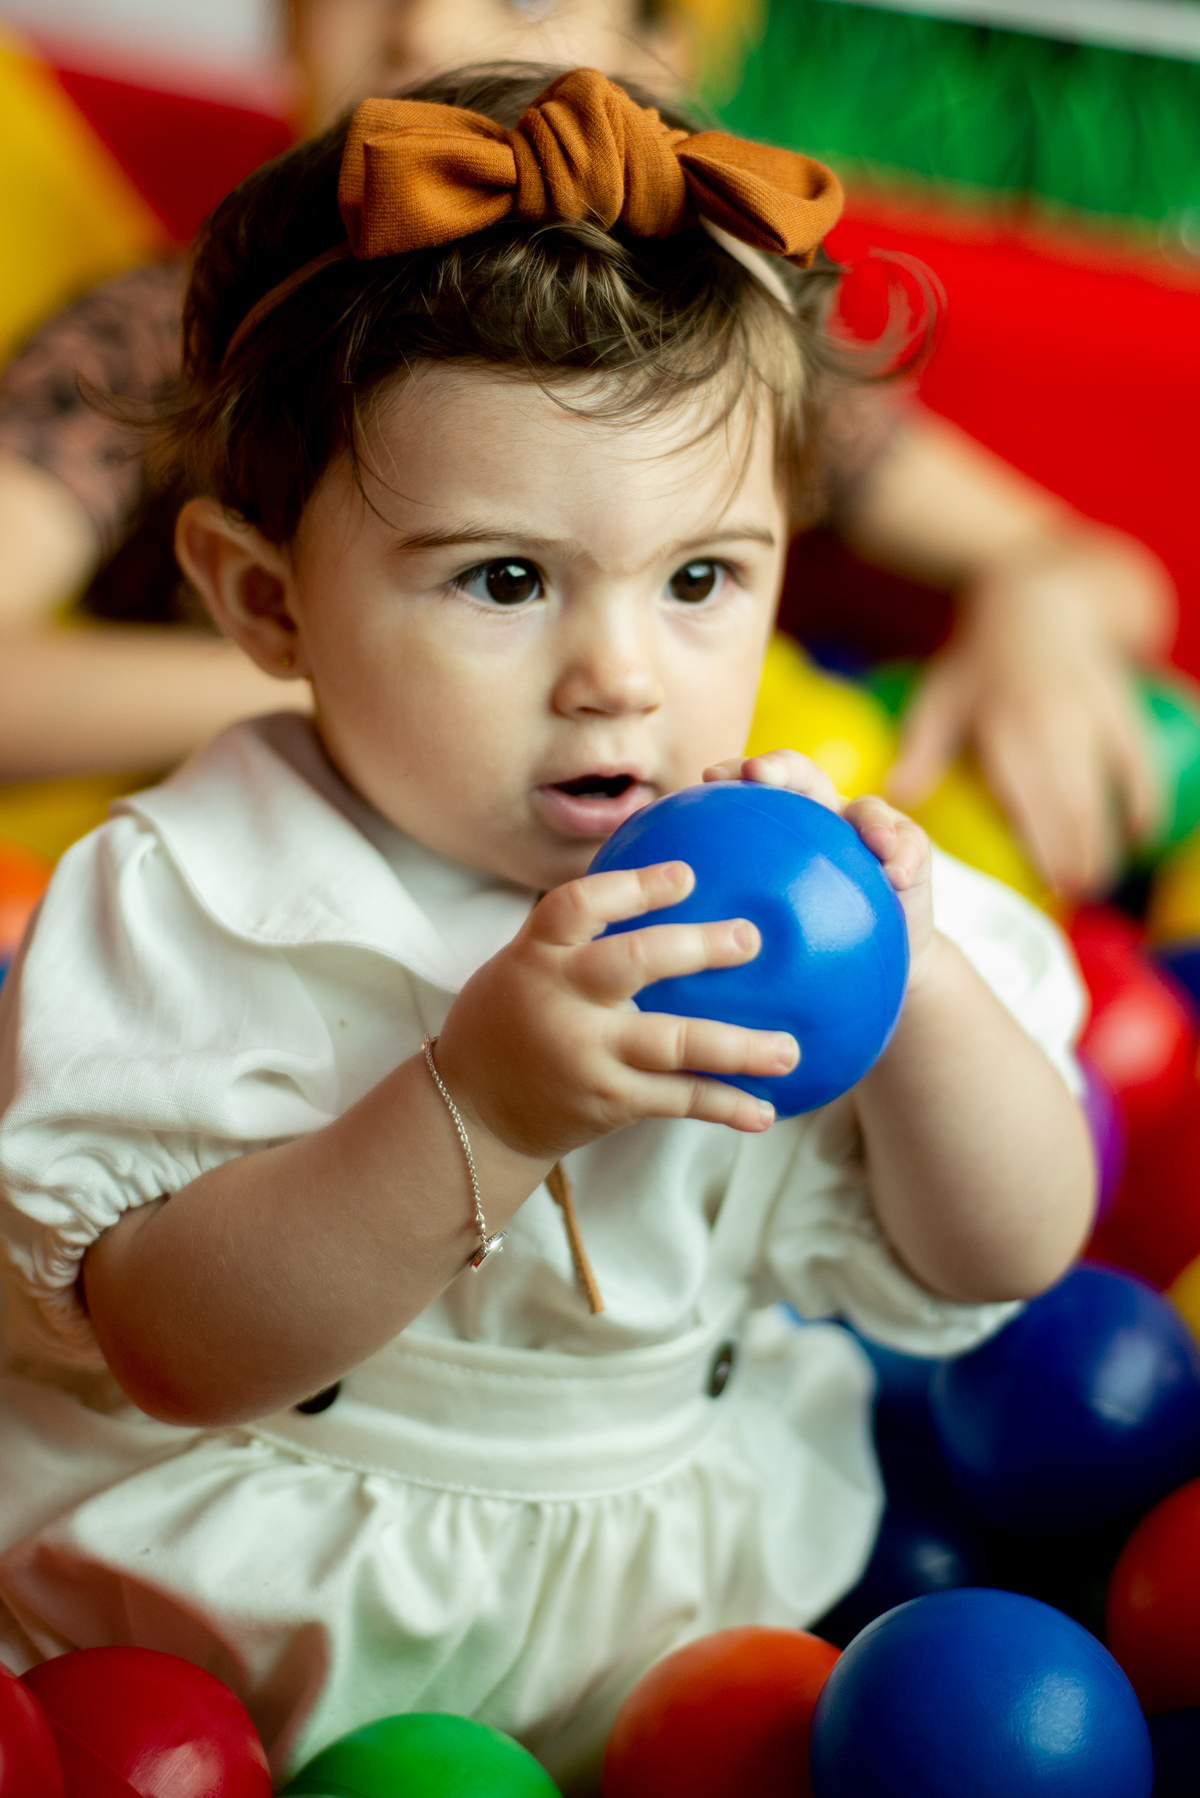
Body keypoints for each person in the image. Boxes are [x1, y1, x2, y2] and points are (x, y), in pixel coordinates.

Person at [0, 66, 1092, 1792]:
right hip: (246, 1628)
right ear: (267, 601)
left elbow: (1004, 1251)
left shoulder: (801, 884)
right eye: (505, 580)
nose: (620, 675)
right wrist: (483, 1107)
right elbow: (172, 1340)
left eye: (702, 578)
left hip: (674, 1638)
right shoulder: (194, 892)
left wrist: (921, 987)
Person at [0, 0, 1173, 894]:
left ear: (659, 45)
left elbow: (1096, 562)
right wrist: (360, 687)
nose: (424, 25)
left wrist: (1040, 615)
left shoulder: (708, 331)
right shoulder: (173, 333)